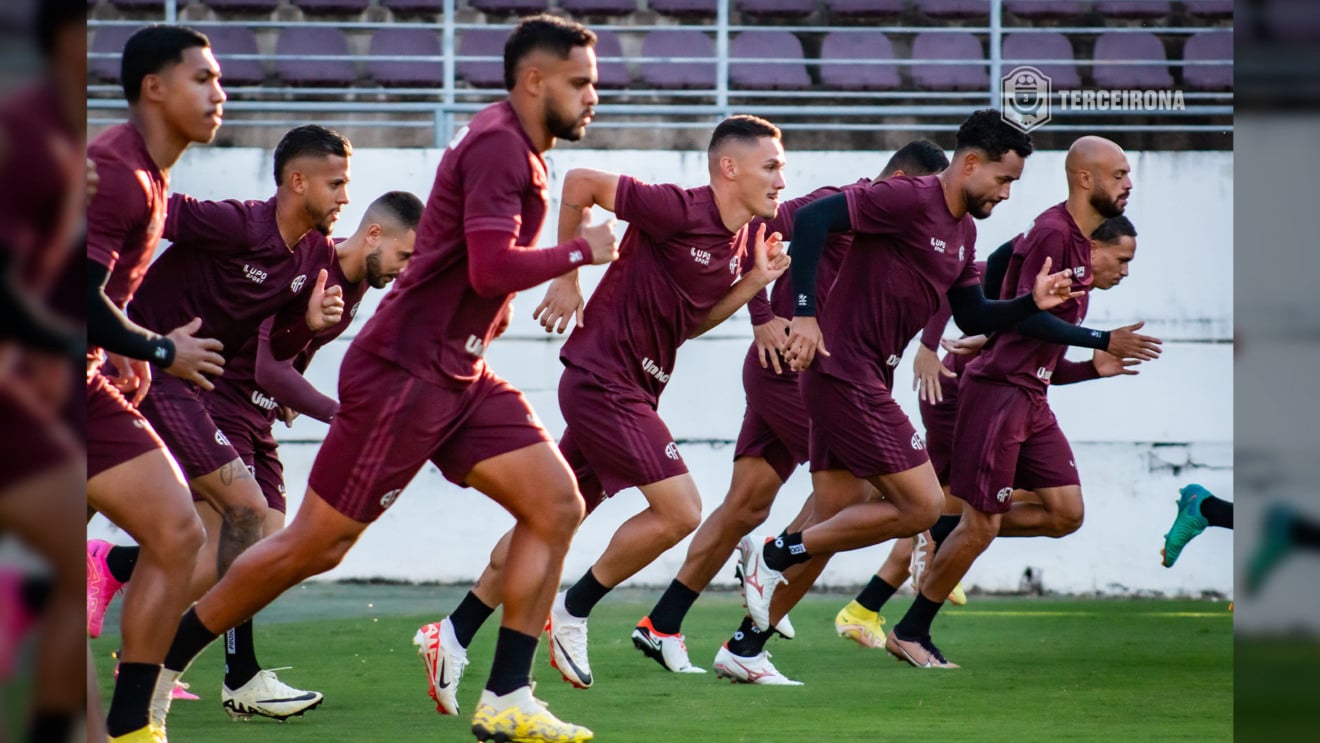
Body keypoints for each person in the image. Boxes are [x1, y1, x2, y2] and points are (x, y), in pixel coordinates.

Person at [154, 15, 615, 743]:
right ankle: (160, 665)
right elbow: (492, 265)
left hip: (459, 371)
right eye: (582, 81)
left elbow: (475, 272)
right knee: (312, 545)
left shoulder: (517, 149)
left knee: (557, 503)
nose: (596, 95)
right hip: (407, 372)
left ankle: (507, 695)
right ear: (534, 81)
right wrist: (577, 252)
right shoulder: (500, 145)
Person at [413, 114, 792, 706]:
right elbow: (582, 182)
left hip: (632, 389)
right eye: (771, 166)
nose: (779, 180)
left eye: (782, 169)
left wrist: (753, 282)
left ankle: (453, 633)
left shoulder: (742, 241)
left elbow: (690, 324)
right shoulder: (676, 208)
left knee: (549, 520)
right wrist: (568, 277)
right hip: (602, 380)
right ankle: (573, 608)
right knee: (681, 509)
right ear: (729, 168)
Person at [730, 110, 1081, 681]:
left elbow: (972, 312)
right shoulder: (908, 199)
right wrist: (804, 314)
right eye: (1003, 179)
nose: (1007, 193)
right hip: (844, 371)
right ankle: (772, 554)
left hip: (864, 374)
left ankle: (744, 647)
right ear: (970, 163)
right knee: (921, 506)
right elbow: (814, 219)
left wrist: (1030, 305)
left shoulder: (964, 231)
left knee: (837, 511)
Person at [86, 191, 422, 720]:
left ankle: (120, 578)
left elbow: (284, 354)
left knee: (260, 547)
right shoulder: (315, 266)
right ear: (376, 235)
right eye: (406, 257)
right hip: (224, 406)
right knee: (249, 539)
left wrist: (294, 388)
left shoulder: (351, 288)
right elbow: (267, 365)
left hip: (257, 416)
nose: (404, 272)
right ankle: (226, 674)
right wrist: (342, 416)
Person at [629, 140, 949, 682]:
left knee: (747, 504)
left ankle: (664, 622)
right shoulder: (846, 203)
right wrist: (760, 313)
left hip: (795, 374)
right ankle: (757, 620)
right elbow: (759, 228)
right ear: (902, 180)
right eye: (925, 192)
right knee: (849, 501)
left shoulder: (900, 232)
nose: (928, 206)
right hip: (798, 373)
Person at [882, 136, 1159, 669]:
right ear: (1086, 179)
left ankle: (944, 532)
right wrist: (1099, 341)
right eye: (1120, 174)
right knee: (982, 525)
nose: (1128, 184)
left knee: (1065, 513)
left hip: (1031, 398)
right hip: (1001, 394)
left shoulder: (1069, 237)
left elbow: (1006, 259)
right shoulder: (1057, 231)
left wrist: (997, 326)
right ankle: (911, 631)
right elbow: (1031, 313)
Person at [84, 25, 229, 743]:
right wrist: (158, 347)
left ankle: (130, 725)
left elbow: (93, 292)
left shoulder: (148, 173)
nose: (218, 94)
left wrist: (123, 343)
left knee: (177, 533)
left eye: (220, 79)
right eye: (202, 78)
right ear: (154, 88)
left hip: (78, 381)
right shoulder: (116, 168)